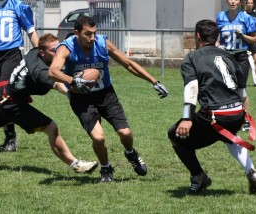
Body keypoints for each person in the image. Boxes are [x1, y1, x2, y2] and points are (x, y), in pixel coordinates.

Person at [48, 15, 168, 182]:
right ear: (76, 32)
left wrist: (154, 81)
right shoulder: (66, 47)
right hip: (81, 98)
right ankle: (106, 169)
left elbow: (128, 64)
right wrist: (73, 81)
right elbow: (53, 71)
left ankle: (130, 153)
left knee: (125, 133)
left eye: (94, 33)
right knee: (98, 137)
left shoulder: (102, 43)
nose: (92, 38)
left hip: (106, 94)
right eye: (87, 34)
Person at [0, 33, 98, 174]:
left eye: (58, 48)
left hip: (6, 97)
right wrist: (73, 92)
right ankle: (75, 164)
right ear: (42, 52)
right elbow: (58, 84)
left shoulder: (35, 52)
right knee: (51, 127)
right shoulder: (40, 71)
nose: (58, 52)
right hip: (12, 104)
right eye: (53, 50)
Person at [167, 19, 256, 195]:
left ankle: (198, 176)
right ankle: (251, 171)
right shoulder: (228, 56)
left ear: (197, 36)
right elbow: (241, 87)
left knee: (175, 135)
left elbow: (192, 87)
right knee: (228, 135)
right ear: (216, 37)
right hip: (237, 113)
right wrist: (242, 112)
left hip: (214, 117)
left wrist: (187, 118)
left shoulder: (192, 58)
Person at [0, 0, 39, 152]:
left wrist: (39, 53)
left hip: (12, 54)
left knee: (4, 93)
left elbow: (31, 31)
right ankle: (9, 134)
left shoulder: (18, 5)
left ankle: (11, 137)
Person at [216, 0, 256, 131]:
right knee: (225, 88)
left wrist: (242, 35)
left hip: (241, 56)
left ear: (240, 2)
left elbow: (254, 39)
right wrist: (218, 46)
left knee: (241, 89)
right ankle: (226, 118)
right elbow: (215, 38)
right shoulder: (220, 16)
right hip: (226, 56)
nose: (233, 1)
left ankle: (245, 119)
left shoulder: (247, 18)